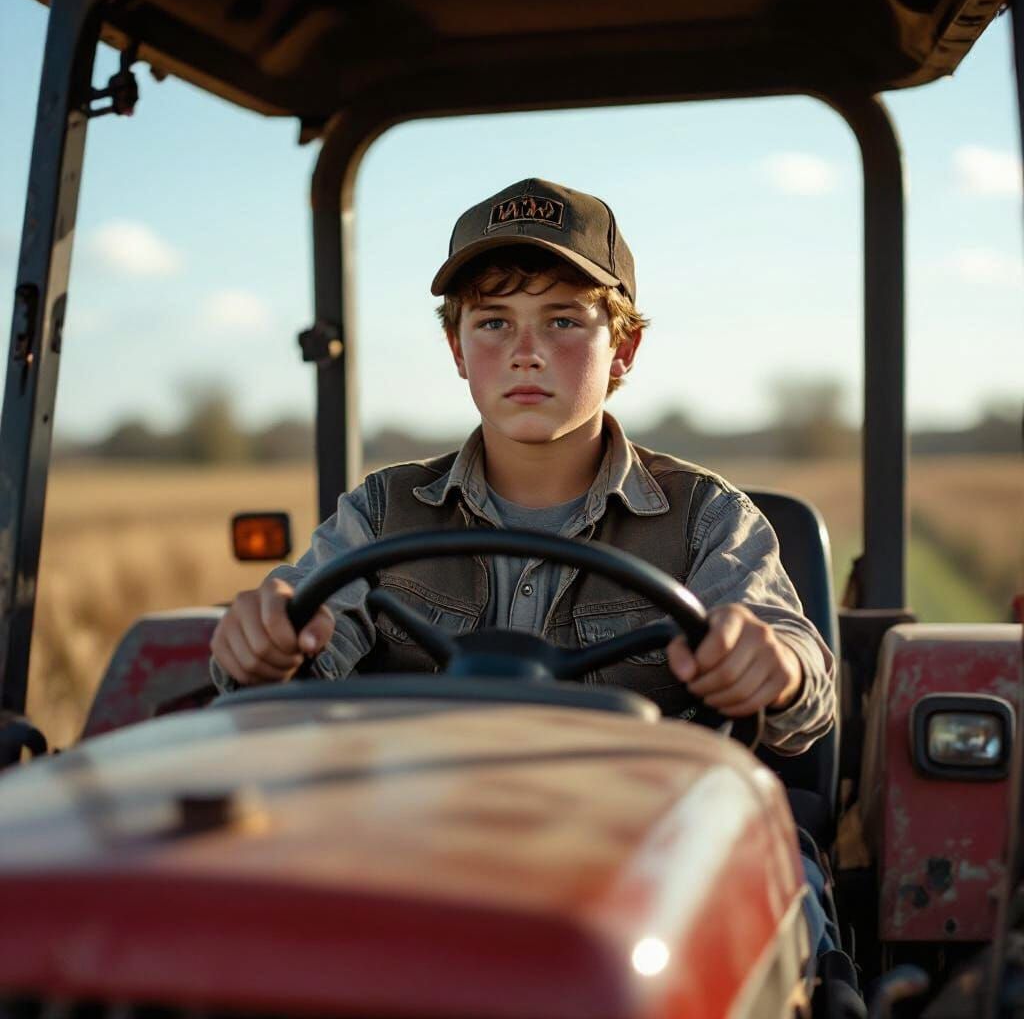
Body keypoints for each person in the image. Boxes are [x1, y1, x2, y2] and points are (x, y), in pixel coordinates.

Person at [210, 176, 842, 967]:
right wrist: (267, 642)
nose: (526, 352)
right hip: (409, 843)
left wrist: (771, 664)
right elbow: (304, 637)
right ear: (457, 350)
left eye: (565, 321)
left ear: (626, 350)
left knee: (785, 901)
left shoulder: (705, 518)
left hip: (644, 853)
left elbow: (798, 675)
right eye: (494, 322)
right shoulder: (381, 511)